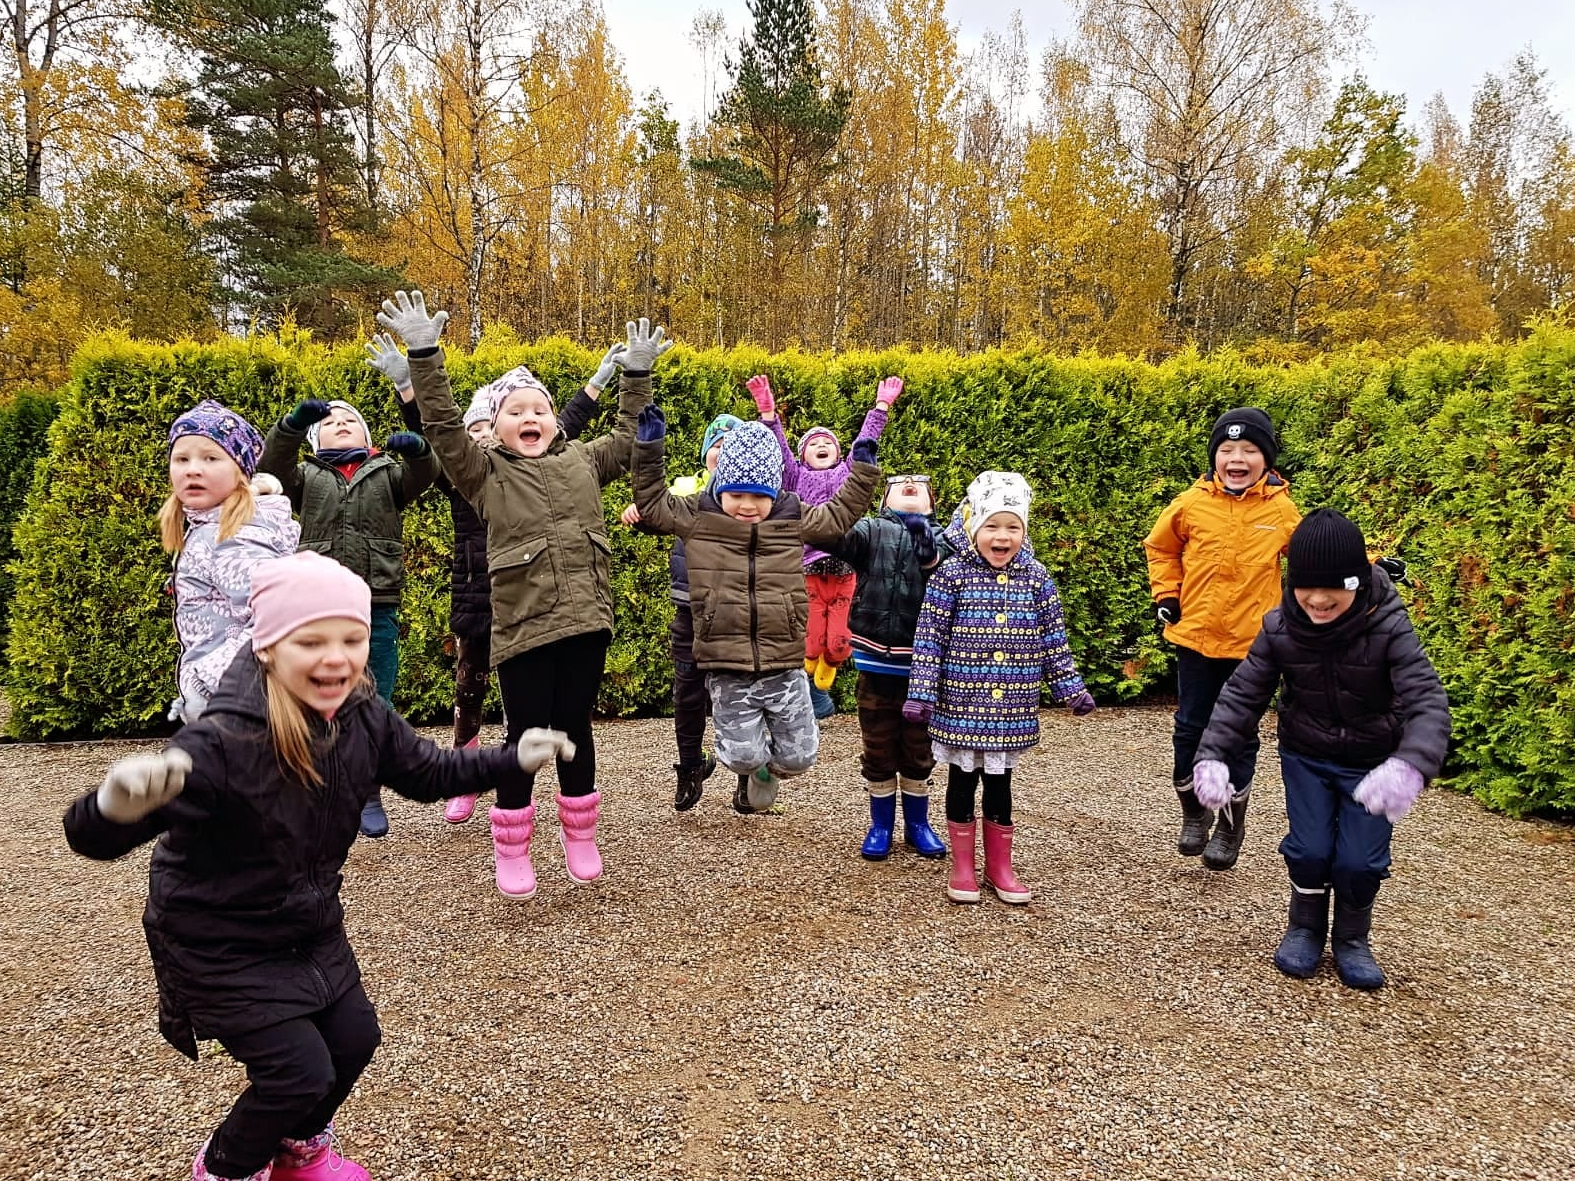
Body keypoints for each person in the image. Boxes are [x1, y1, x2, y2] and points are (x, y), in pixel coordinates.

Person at [62, 551, 572, 1181]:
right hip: (216, 939)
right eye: (312, 641)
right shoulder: (223, 741)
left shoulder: (362, 714)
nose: (337, 657)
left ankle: (298, 1152)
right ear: (270, 648)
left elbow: (430, 773)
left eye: (352, 638)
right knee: (298, 1072)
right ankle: (225, 1169)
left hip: (307, 924)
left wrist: (510, 758)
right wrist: (113, 805)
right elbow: (92, 841)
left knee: (356, 1038)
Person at [380, 290, 667, 898]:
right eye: (514, 410)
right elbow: (441, 427)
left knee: (576, 731)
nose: (529, 415)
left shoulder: (586, 461)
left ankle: (579, 833)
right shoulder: (482, 474)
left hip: (587, 621)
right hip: (522, 630)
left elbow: (627, 432)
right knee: (526, 738)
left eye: (539, 407)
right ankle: (511, 845)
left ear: (555, 420)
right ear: (497, 429)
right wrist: (425, 356)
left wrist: (635, 374)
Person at [1193, 509, 1450, 990]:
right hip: (1306, 756)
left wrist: (1410, 766)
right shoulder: (1279, 627)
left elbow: (1429, 702)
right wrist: (1212, 755)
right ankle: (1305, 926)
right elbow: (1243, 694)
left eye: (1332, 586)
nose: (1317, 598)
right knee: (1310, 849)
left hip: (1374, 764)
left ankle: (1353, 937)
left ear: (1357, 582)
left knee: (1358, 860)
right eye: (1305, 586)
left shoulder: (1390, 627)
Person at [367, 333, 614, 824]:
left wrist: (598, 383)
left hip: (532, 606)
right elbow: (435, 430)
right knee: (468, 694)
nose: (479, 435)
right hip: (477, 602)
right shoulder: (466, 476)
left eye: (484, 426)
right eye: (475, 427)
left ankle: (519, 786)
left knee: (529, 709)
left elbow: (563, 423)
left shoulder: (538, 461)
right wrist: (408, 383)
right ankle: (468, 776)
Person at [631, 413, 881, 813]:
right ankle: (751, 764)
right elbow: (652, 505)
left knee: (801, 758)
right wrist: (648, 450)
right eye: (736, 495)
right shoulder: (699, 516)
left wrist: (863, 470)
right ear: (720, 488)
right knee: (741, 758)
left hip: (783, 662)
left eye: (759, 496)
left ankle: (768, 771)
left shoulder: (792, 516)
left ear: (775, 490)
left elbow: (838, 517)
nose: (748, 506)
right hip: (726, 665)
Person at [258, 385, 441, 838]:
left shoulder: (387, 474)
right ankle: (314, 791)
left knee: (374, 696)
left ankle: (366, 789)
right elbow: (270, 469)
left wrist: (417, 450)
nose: (341, 422)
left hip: (374, 603)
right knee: (310, 700)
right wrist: (292, 426)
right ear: (317, 440)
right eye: (330, 421)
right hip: (316, 606)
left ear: (367, 432)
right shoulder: (305, 476)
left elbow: (427, 474)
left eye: (350, 419)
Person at [906, 472, 1096, 905]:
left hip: (1011, 706)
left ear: (1024, 532)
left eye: (1012, 526)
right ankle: (962, 866)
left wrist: (1069, 688)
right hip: (960, 702)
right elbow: (930, 636)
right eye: (992, 526)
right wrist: (921, 693)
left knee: (1000, 786)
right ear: (974, 528)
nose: (1002, 536)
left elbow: (1053, 638)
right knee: (960, 781)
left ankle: (1000, 867)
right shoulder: (951, 575)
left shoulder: (1036, 577)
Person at [1142, 408, 1301, 870]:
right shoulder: (1190, 504)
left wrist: (1365, 562)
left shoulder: (1282, 510)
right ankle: (1194, 811)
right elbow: (1161, 548)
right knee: (1190, 728)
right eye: (1227, 450)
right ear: (1215, 456)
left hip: (1253, 647)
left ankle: (1231, 823)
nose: (1236, 458)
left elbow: (1319, 553)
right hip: (1195, 638)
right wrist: (1167, 594)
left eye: (1249, 450)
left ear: (1266, 460)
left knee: (1240, 735)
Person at [745, 373, 901, 710]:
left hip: (846, 571)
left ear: (837, 452)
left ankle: (827, 671)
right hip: (810, 571)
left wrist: (881, 407)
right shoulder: (795, 476)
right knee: (811, 641)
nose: (820, 445)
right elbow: (780, 451)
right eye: (813, 443)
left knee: (839, 643)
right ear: (803, 455)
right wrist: (768, 414)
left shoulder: (846, 472)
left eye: (827, 442)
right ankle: (815, 688)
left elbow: (865, 443)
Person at [618, 412, 743, 810]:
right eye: (716, 446)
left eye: (732, 446)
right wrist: (638, 516)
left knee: (739, 694)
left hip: (737, 613)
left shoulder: (756, 499)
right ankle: (690, 767)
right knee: (687, 690)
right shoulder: (687, 494)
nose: (722, 452)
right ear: (705, 454)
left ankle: (746, 773)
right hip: (689, 608)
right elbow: (657, 510)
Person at [823, 473, 950, 860]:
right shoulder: (870, 530)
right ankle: (879, 824)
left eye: (920, 483)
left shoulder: (945, 539)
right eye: (900, 482)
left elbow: (943, 571)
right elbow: (837, 536)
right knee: (877, 746)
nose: (910, 484)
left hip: (924, 668)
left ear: (932, 502)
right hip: (875, 662)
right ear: (884, 499)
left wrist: (929, 549)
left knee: (918, 748)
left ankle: (917, 824)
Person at [161, 400, 299, 724]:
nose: (193, 469)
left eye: (211, 458)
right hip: (239, 701)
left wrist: (204, 685)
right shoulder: (214, 526)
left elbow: (279, 615)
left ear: (241, 472)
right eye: (181, 458)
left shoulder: (229, 535)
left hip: (238, 707)